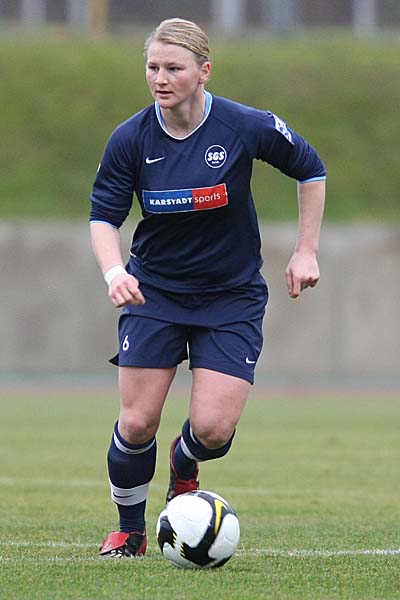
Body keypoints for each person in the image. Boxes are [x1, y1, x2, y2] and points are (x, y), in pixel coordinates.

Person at [90, 17, 326, 558]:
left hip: (230, 296)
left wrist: (306, 250)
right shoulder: (130, 138)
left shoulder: (243, 126)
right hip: (155, 293)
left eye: (173, 68)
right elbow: (103, 215)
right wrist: (115, 271)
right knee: (137, 421)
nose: (160, 78)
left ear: (204, 71)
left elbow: (310, 169)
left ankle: (185, 460)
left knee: (214, 430)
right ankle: (129, 531)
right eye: (153, 67)